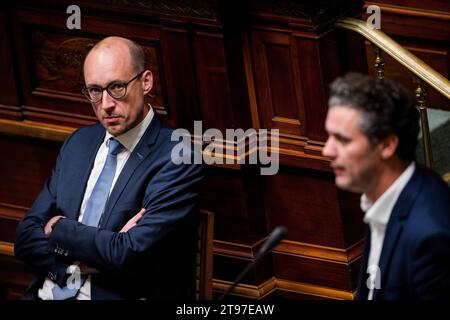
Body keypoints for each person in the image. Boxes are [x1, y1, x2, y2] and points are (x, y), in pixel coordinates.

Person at [14, 36, 204, 300]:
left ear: (146, 82)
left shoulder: (178, 158)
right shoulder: (78, 143)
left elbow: (127, 253)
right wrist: (81, 263)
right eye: (94, 90)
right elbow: (24, 238)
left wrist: (59, 228)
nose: (105, 104)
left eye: (117, 87)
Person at [322, 72, 450, 300]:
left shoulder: (430, 235)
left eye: (342, 139)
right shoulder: (384, 196)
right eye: (329, 137)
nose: (327, 151)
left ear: (387, 145)